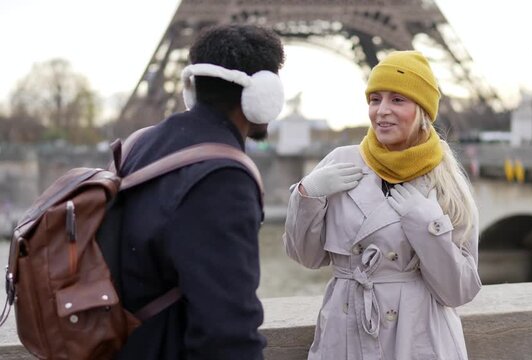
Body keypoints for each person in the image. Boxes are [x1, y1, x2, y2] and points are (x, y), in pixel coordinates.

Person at [283, 50, 482, 360]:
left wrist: (429, 228)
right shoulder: (339, 162)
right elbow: (306, 257)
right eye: (375, 99)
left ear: (422, 110)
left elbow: (460, 292)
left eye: (397, 100)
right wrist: (307, 196)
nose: (382, 111)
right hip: (346, 334)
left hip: (418, 340)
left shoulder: (447, 181)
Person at [115, 24, 285, 359]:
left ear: (193, 86)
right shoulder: (223, 177)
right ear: (263, 94)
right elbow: (227, 334)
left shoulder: (141, 143)